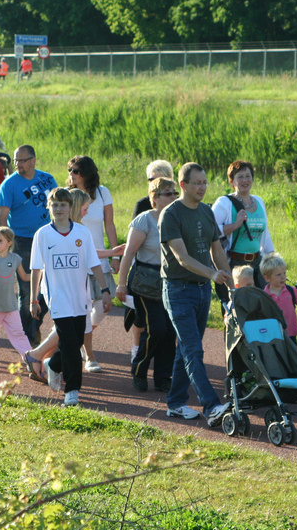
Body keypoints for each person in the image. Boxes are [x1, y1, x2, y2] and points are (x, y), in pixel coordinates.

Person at [24, 189, 124, 382]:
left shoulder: (81, 231)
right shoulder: (43, 234)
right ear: (49, 207)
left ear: (70, 207)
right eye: (55, 205)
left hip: (80, 294)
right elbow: (36, 268)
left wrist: (105, 289)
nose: (59, 208)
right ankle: (72, 389)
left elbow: (92, 259)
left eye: (63, 205)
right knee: (69, 339)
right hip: (56, 295)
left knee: (76, 339)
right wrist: (33, 300)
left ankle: (46, 361)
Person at [159, 162, 232, 426]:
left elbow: (217, 251)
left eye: (204, 183)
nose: (202, 187)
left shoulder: (206, 211)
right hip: (178, 290)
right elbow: (182, 257)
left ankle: (176, 403)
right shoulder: (170, 214)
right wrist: (212, 274)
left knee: (185, 349)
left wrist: (231, 286)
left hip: (202, 291)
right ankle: (211, 406)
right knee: (193, 349)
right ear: (183, 185)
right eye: (197, 183)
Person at [117, 177, 178, 393]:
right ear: (155, 197)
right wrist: (121, 284)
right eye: (168, 194)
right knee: (156, 328)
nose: (173, 197)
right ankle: (139, 370)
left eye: (175, 193)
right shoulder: (144, 220)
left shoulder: (177, 218)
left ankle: (163, 377)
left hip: (170, 282)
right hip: (145, 282)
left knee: (170, 332)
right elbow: (128, 254)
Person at [0, 145, 57, 345]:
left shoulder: (48, 179)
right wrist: (2, 246)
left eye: (22, 161)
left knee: (51, 286)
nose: (18, 165)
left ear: (33, 160)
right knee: (27, 291)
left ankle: (34, 325)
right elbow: (2, 218)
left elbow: (59, 206)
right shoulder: (9, 185)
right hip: (22, 242)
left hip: (48, 238)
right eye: (16, 161)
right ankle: (27, 338)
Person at [66, 155, 120, 372]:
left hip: (100, 258)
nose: (71, 174)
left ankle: (79, 338)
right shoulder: (67, 196)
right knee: (84, 307)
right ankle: (89, 355)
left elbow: (110, 225)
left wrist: (115, 256)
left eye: (76, 171)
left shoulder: (103, 193)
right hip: (77, 261)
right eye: (70, 170)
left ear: (87, 173)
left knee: (103, 306)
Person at [128, 159, 174, 362]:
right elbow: (131, 249)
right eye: (150, 179)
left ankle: (164, 373)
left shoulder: (178, 211)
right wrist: (123, 283)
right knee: (149, 324)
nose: (153, 182)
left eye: (158, 179)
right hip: (146, 276)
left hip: (170, 277)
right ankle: (138, 356)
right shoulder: (143, 210)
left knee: (167, 329)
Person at [212, 161, 274, 303]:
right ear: (231, 181)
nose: (245, 180)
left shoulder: (259, 201)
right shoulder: (224, 203)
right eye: (240, 177)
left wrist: (273, 260)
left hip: (257, 262)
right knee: (237, 306)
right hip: (234, 264)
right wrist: (235, 225)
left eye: (248, 176)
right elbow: (210, 231)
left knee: (261, 304)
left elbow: (265, 234)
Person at [0, 226, 32, 373]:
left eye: (0, 240)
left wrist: (40, 274)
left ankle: (30, 358)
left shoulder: (15, 259)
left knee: (19, 333)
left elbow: (25, 277)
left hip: (11, 306)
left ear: (9, 243)